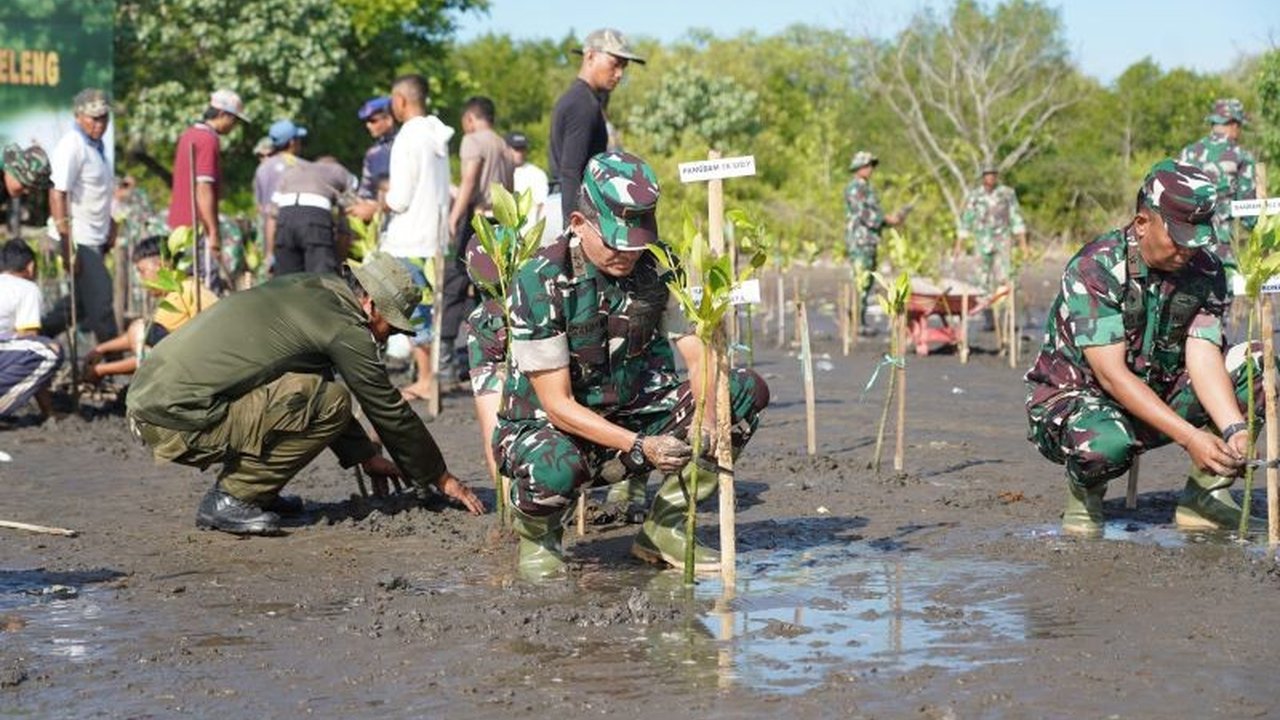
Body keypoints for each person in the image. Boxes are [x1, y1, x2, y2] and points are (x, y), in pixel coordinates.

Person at [495, 151, 770, 578]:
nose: (627, 254)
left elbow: (698, 355)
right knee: (555, 466)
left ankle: (665, 528)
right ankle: (539, 538)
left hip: (635, 413)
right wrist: (641, 447)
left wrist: (709, 419)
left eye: (636, 242)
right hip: (553, 431)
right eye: (615, 242)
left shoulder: (659, 265)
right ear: (578, 223)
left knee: (738, 392)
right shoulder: (540, 279)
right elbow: (557, 404)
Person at [125, 252, 484, 535]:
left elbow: (310, 376)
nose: (385, 339)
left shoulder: (317, 289)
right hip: (173, 418)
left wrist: (364, 455)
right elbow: (387, 407)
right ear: (371, 306)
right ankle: (233, 496)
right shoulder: (345, 325)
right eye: (389, 328)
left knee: (318, 393)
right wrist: (440, 477)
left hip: (150, 399)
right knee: (333, 402)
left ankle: (256, 491)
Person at [1025, 159, 1263, 537]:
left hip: (1158, 390)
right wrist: (1189, 437)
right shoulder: (1096, 267)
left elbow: (1202, 353)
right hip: (1083, 402)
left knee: (1258, 364)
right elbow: (1110, 375)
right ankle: (1085, 501)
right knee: (1105, 443)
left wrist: (1233, 427)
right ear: (1142, 223)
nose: (1188, 250)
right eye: (1179, 238)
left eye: (1198, 238)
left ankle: (1206, 498)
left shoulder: (1206, 270)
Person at [351, 74, 454, 402]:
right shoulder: (437, 135)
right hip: (433, 237)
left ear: (400, 102)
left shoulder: (408, 137)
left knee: (408, 310)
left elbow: (400, 199)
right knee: (426, 308)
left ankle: (424, 379)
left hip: (409, 238)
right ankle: (427, 377)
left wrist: (374, 206)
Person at [441, 96, 515, 381]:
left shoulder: (473, 141)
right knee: (495, 291)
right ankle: (498, 359)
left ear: (470, 119)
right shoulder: (505, 147)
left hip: (478, 221)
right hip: (501, 223)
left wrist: (454, 216)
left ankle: (446, 361)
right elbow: (510, 190)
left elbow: (470, 179)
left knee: (454, 284)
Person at [547, 28, 644, 241]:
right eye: (614, 64)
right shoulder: (582, 104)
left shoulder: (585, 99)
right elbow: (571, 171)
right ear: (590, 56)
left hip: (569, 205)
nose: (619, 74)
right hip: (570, 208)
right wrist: (573, 231)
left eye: (624, 67)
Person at [42, 88, 119, 348]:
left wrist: (111, 225)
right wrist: (67, 243)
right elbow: (57, 193)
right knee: (102, 302)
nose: (100, 124)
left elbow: (98, 195)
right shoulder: (72, 145)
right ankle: (118, 370)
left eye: (104, 118)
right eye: (93, 118)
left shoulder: (97, 149)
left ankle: (33, 336)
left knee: (80, 306)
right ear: (78, 117)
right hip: (78, 239)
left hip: (95, 238)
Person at [82, 236, 218, 382]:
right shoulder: (177, 293)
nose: (141, 279)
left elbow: (149, 357)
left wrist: (101, 370)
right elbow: (139, 340)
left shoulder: (188, 291)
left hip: (199, 370)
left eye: (142, 271)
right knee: (140, 329)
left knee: (140, 329)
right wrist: (102, 349)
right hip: (190, 364)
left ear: (163, 266)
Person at [168, 89, 248, 287]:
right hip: (196, 228)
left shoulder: (189, 134)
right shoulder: (208, 139)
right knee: (204, 289)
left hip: (178, 228)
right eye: (234, 120)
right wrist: (213, 231)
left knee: (184, 289)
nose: (234, 126)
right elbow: (203, 188)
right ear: (222, 114)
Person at [1178, 98, 1257, 285]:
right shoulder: (1241, 156)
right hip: (1220, 252)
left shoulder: (1187, 153)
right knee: (1220, 308)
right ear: (1234, 125)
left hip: (1184, 249)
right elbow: (1250, 216)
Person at [0, 239, 62, 421]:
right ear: (31, 266)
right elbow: (33, 347)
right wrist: (48, 410)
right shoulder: (26, 288)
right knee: (50, 351)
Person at [843, 150, 903, 332]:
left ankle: (860, 321)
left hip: (869, 239)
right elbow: (864, 214)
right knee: (860, 279)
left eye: (871, 166)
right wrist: (886, 220)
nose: (870, 169)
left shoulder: (866, 187)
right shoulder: (855, 188)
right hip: (860, 240)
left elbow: (873, 214)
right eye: (867, 166)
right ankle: (855, 323)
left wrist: (889, 220)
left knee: (868, 280)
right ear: (859, 168)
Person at [270, 156, 358, 275]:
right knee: (320, 280)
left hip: (285, 218)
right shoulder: (337, 170)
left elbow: (271, 217)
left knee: (286, 281)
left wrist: (269, 255)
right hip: (314, 219)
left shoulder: (291, 171)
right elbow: (348, 213)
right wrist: (340, 261)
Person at [256, 119, 307, 272]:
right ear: (292, 142)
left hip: (268, 233)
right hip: (293, 234)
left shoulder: (263, 168)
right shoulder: (300, 166)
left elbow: (260, 205)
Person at [356, 96, 396, 202]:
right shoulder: (372, 154)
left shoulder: (407, 143)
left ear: (389, 120)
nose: (368, 125)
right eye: (366, 121)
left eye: (373, 121)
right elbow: (365, 191)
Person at [507, 131, 549, 232]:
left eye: (523, 149)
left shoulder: (537, 174)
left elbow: (542, 205)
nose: (520, 153)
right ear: (507, 149)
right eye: (516, 149)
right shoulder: (499, 172)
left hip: (527, 234)